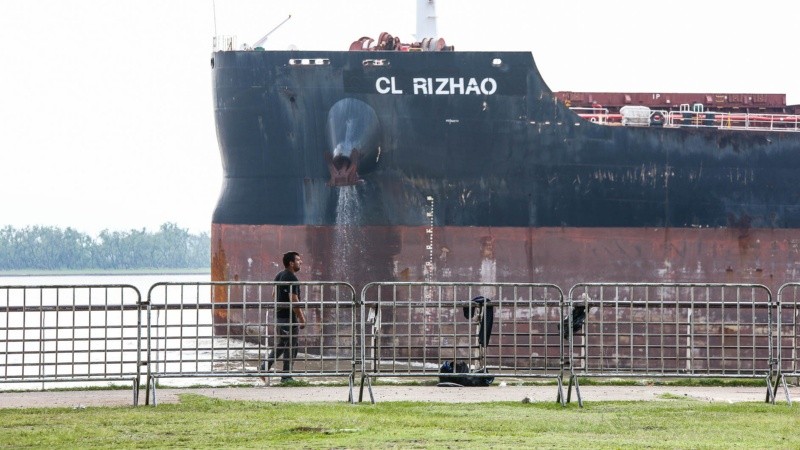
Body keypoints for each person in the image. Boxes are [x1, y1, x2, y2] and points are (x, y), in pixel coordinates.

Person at [261, 251, 306, 383]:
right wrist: (302, 319)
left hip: (280, 316)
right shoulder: (292, 278)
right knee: (290, 346)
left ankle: (268, 369)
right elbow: (294, 299)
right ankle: (285, 376)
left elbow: (274, 294)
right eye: (298, 260)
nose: (300, 262)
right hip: (288, 318)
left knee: (284, 344)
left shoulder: (279, 275)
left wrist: (280, 306)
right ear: (291, 263)